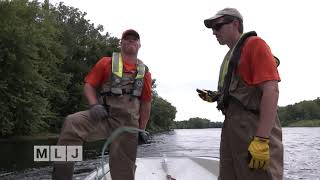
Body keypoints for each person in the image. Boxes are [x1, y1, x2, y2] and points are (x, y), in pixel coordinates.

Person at [52, 29, 152, 180]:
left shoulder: (145, 72)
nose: (131, 41)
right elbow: (89, 86)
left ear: (139, 45)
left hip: (128, 125)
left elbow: (146, 103)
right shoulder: (106, 62)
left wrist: (141, 130)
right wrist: (93, 105)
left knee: (124, 172)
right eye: (127, 38)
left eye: (134, 39)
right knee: (72, 122)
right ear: (121, 43)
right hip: (103, 116)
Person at [197, 8, 283, 180]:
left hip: (252, 128)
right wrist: (216, 96)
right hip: (231, 127)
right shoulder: (230, 55)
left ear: (235, 24)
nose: (214, 32)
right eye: (212, 28)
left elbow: (271, 90)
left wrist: (261, 139)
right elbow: (239, 91)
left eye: (218, 26)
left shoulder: (254, 44)